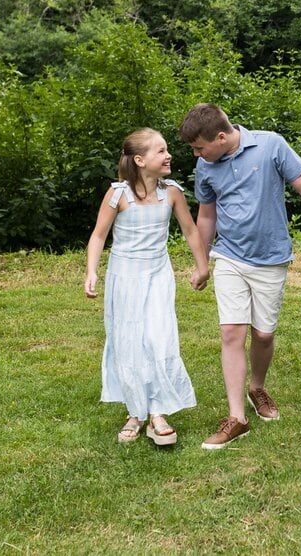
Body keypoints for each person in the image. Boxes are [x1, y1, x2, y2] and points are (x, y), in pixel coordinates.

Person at [180, 103, 301, 450]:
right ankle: (237, 418)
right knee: (231, 333)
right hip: (230, 256)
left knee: (263, 334)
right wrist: (202, 262)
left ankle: (257, 387)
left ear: (220, 137)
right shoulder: (206, 165)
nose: (196, 155)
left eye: (199, 147)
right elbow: (206, 215)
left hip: (271, 258)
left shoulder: (270, 145)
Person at [85, 128, 211, 446]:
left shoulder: (172, 193)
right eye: (161, 151)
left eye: (167, 150)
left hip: (158, 275)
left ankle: (157, 411)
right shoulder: (118, 194)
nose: (168, 155)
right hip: (124, 278)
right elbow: (99, 235)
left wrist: (203, 266)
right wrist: (92, 271)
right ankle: (135, 412)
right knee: (129, 342)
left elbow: (191, 231)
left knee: (159, 338)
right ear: (140, 160)